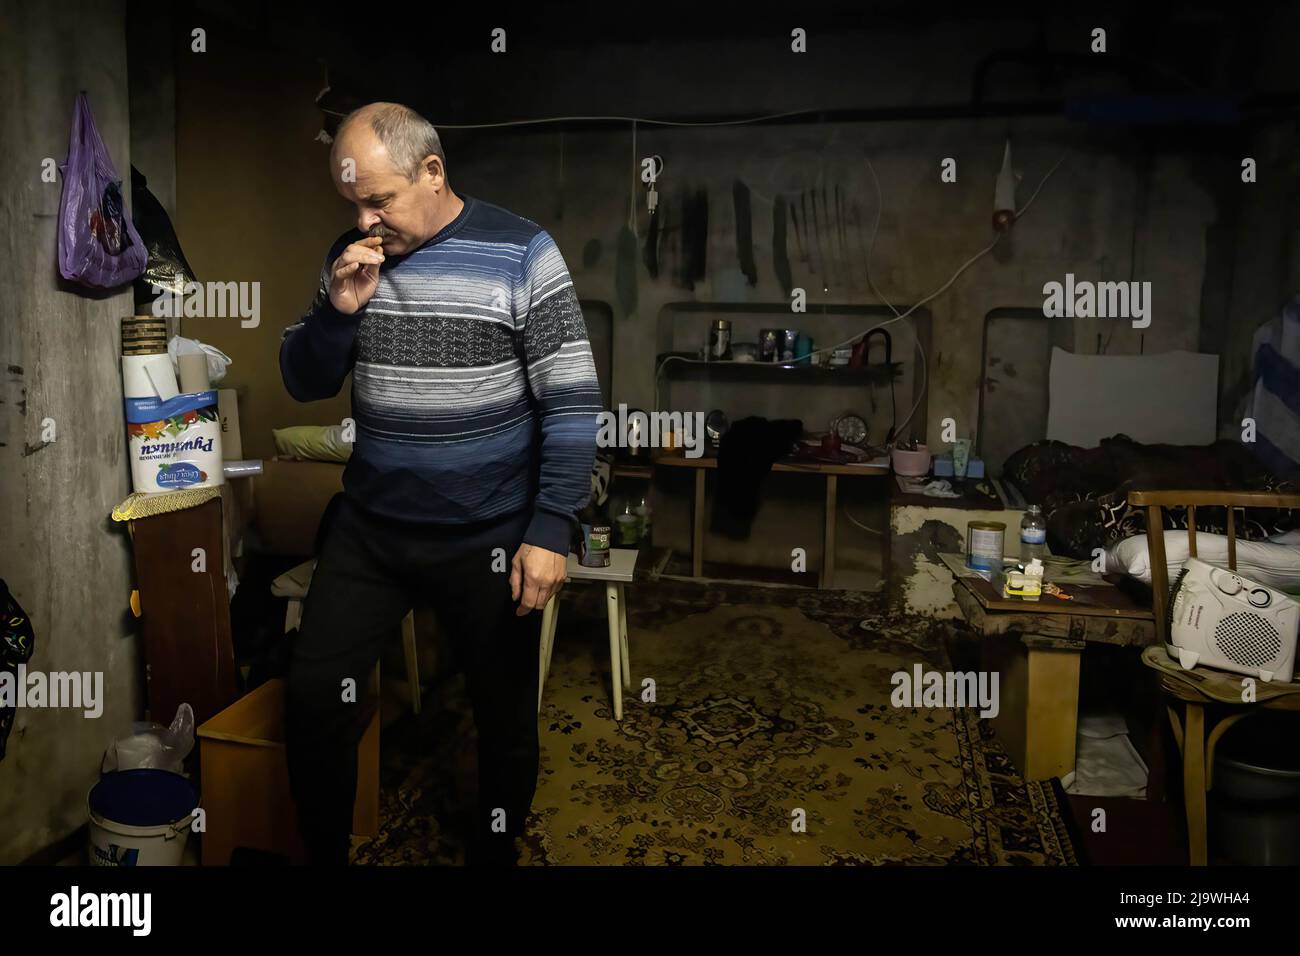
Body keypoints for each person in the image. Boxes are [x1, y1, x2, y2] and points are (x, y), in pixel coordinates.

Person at [279, 102, 600, 865]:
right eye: (353, 203)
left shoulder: (524, 251)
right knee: (316, 698)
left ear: (432, 171)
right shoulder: (353, 254)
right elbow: (301, 380)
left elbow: (572, 399)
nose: (366, 220)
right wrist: (337, 311)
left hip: (487, 533)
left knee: (502, 716)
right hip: (373, 531)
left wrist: (551, 527)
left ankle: (493, 851)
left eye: (380, 201)